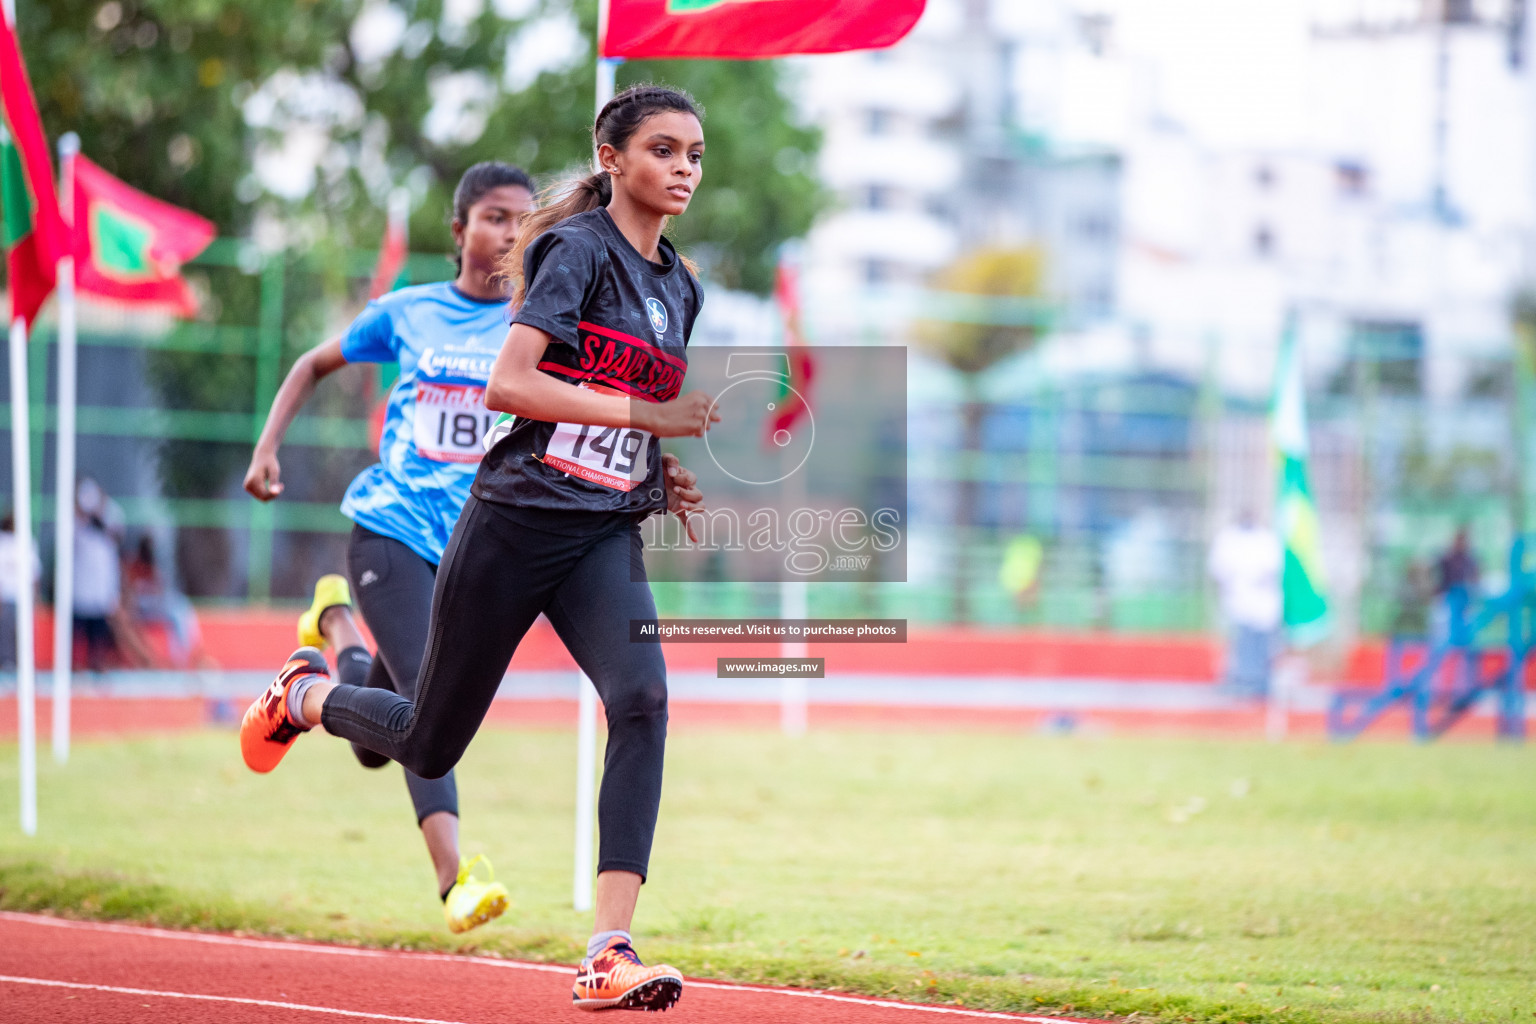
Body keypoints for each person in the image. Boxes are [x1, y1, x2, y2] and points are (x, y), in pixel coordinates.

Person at [240, 84, 715, 1013]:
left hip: (600, 530)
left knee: (644, 698)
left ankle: (608, 951)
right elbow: (512, 385)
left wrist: (656, 473)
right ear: (613, 159)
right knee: (428, 737)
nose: (684, 170)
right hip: (515, 521)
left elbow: (629, 406)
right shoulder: (574, 252)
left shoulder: (680, 285)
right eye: (664, 150)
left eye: (695, 155)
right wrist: (645, 414)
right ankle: (304, 693)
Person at [241, 162, 536, 934]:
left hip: (472, 547)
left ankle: (333, 632)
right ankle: (456, 878)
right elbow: (313, 363)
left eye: (523, 221)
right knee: (427, 710)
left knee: (380, 743)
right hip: (391, 527)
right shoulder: (410, 311)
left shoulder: (533, 321)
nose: (509, 233)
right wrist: (267, 449)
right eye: (496, 217)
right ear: (461, 228)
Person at [1207, 509, 1283, 699]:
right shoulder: (1228, 538)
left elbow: (1271, 570)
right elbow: (1219, 570)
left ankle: (1260, 683)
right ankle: (1241, 681)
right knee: (1240, 644)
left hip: (1262, 601)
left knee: (1262, 644)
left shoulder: (1266, 539)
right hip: (1236, 600)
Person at [0, 512, 40, 671]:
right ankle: (6, 663)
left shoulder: (28, 542)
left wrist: (35, 596)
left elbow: (35, 572)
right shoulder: (2, 542)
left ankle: (22, 664)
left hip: (22, 597)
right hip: (6, 595)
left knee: (24, 632)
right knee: (5, 632)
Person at [1432, 525, 1480, 643]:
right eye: (1459, 541)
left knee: (1464, 624)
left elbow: (1475, 577)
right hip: (1448, 595)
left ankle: (1462, 644)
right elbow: (1436, 575)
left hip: (1464, 596)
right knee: (1445, 626)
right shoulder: (1446, 558)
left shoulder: (1469, 560)